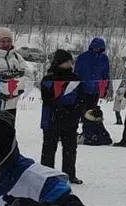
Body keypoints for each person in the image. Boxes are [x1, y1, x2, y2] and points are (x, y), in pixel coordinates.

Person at [40, 49, 84, 184]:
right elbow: (47, 99)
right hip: (52, 117)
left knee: (70, 147)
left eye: (70, 61)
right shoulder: (48, 78)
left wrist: (77, 110)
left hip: (71, 118)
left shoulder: (76, 78)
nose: (69, 64)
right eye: (66, 62)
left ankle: (70, 174)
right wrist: (60, 110)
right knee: (49, 147)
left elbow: (82, 97)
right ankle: (46, 174)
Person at [74, 38, 111, 113]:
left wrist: (105, 88)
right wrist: (76, 86)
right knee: (81, 111)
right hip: (82, 89)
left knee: (92, 112)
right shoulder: (82, 57)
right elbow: (76, 73)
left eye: (99, 47)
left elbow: (106, 75)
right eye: (95, 47)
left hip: (96, 90)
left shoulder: (104, 59)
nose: (97, 49)